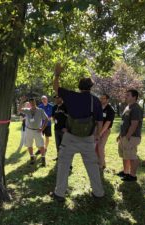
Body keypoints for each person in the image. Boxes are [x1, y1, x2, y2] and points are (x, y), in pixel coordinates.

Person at [51, 63, 104, 202]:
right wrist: (97, 135)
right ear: (90, 87)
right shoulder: (95, 101)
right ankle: (98, 193)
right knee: (93, 166)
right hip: (88, 139)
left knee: (63, 164)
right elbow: (99, 121)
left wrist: (57, 74)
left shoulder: (71, 96)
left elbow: (56, 88)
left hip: (70, 138)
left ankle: (59, 194)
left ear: (79, 87)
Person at [117, 89, 143, 182]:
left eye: (128, 95)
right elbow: (124, 122)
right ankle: (126, 172)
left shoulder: (136, 108)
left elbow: (134, 124)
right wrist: (120, 135)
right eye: (126, 95)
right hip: (124, 136)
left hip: (131, 137)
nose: (126, 96)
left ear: (134, 97)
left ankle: (132, 176)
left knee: (132, 156)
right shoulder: (128, 107)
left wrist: (127, 136)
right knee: (125, 155)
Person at [18, 97, 49, 167]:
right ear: (30, 103)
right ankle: (32, 157)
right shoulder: (27, 110)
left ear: (35, 102)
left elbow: (47, 119)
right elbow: (19, 109)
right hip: (28, 130)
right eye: (31, 102)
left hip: (37, 131)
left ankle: (43, 159)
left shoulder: (40, 110)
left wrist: (42, 128)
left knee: (41, 145)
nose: (32, 103)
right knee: (29, 145)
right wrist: (22, 101)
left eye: (33, 102)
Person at [96, 94, 115, 169]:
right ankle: (101, 163)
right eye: (100, 98)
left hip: (105, 131)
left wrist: (100, 134)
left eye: (103, 98)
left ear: (107, 100)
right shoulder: (98, 108)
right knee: (96, 148)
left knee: (100, 147)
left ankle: (101, 165)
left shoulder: (110, 110)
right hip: (97, 130)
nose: (101, 100)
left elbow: (107, 124)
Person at [52, 95, 68, 160]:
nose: (56, 100)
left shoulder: (66, 106)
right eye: (55, 98)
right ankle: (59, 157)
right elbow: (53, 116)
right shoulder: (54, 107)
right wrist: (54, 120)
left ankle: (66, 158)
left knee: (65, 145)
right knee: (58, 144)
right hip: (56, 129)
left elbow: (70, 118)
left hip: (64, 129)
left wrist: (67, 128)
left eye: (57, 98)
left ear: (61, 98)